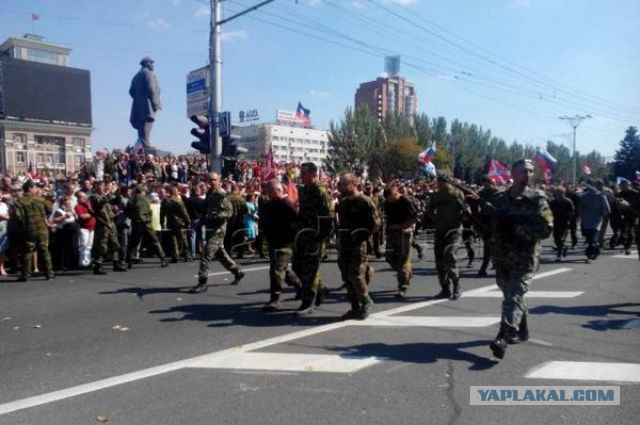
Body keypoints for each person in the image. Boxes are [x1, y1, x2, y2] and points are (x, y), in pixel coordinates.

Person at [486, 159, 553, 359]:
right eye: (524, 171)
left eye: (531, 171)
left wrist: (517, 229)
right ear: (513, 174)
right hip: (502, 258)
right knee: (510, 295)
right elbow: (491, 226)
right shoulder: (499, 199)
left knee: (513, 297)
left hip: (524, 259)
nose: (529, 175)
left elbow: (546, 229)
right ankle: (522, 329)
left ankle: (504, 336)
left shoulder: (537, 199)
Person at [291, 162, 334, 316]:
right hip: (303, 234)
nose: (300, 176)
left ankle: (308, 302)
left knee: (310, 270)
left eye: (303, 173)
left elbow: (328, 215)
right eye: (301, 173)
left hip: (315, 236)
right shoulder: (303, 190)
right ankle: (320, 288)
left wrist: (323, 237)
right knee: (297, 267)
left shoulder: (320, 190)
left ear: (313, 174)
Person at [190, 172, 245, 293]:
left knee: (207, 253)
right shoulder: (210, 193)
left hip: (219, 228)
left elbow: (229, 212)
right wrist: (203, 219)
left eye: (214, 180)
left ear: (218, 181)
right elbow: (206, 209)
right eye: (209, 180)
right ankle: (237, 271)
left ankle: (202, 282)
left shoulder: (221, 193)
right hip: (211, 226)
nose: (211, 182)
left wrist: (214, 216)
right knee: (220, 254)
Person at [336, 173, 380, 319]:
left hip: (358, 244)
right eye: (340, 184)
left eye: (343, 184)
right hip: (345, 243)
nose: (340, 187)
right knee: (346, 275)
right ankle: (354, 307)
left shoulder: (365, 201)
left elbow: (376, 224)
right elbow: (341, 224)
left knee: (355, 274)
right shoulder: (343, 203)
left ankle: (366, 301)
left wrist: (364, 238)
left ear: (354, 184)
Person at [259, 180, 302, 311]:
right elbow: (264, 220)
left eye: (270, 191)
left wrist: (291, 237)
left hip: (285, 243)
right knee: (284, 271)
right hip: (273, 242)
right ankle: (301, 287)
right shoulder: (269, 204)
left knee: (276, 272)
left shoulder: (287, 204)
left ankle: (275, 300)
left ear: (278, 190)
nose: (268, 193)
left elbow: (297, 221)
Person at [425, 175, 465, 300]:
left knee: (450, 256)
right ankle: (445, 289)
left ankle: (457, 286)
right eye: (439, 182)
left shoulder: (457, 193)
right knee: (439, 262)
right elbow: (429, 209)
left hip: (454, 230)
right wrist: (434, 218)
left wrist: (463, 216)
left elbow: (465, 210)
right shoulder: (436, 195)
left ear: (449, 182)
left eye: (442, 182)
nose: (440, 184)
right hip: (440, 230)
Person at [13, 180, 54, 281]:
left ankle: (26, 275)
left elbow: (18, 216)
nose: (37, 189)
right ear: (30, 188)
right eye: (35, 187)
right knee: (44, 250)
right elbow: (50, 209)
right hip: (42, 229)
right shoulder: (41, 199)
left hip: (28, 229)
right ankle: (49, 274)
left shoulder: (19, 201)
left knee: (27, 251)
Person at [382, 185, 417, 298]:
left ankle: (403, 286)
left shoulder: (406, 201)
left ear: (396, 193)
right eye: (388, 199)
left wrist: (400, 226)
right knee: (389, 256)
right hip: (392, 232)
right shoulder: (387, 203)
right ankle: (407, 272)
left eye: (392, 197)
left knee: (403, 259)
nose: (391, 201)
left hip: (405, 232)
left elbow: (414, 218)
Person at [126, 185, 168, 268]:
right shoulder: (147, 199)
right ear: (142, 191)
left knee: (134, 242)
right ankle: (163, 259)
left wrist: (134, 217)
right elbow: (150, 210)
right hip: (147, 222)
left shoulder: (132, 200)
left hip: (137, 223)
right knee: (155, 241)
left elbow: (127, 212)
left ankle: (130, 261)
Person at [90, 181, 128, 275]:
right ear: (96, 187)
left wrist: (117, 192)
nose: (103, 187)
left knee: (115, 243)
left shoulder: (106, 195)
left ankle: (116, 263)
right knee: (102, 245)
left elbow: (117, 200)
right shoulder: (94, 196)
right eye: (101, 185)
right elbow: (100, 203)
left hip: (111, 222)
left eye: (103, 185)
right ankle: (98, 266)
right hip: (102, 223)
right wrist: (107, 195)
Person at [129, 57, 161, 147]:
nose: (152, 65)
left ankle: (142, 144)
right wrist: (155, 103)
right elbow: (151, 89)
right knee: (147, 124)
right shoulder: (149, 74)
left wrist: (138, 98)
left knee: (141, 127)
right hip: (147, 105)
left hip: (138, 106)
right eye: (151, 63)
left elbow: (131, 91)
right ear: (146, 63)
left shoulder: (136, 76)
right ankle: (146, 144)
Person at [578, 181, 610, 263]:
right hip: (586, 220)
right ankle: (596, 250)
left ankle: (589, 254)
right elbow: (580, 208)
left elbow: (606, 210)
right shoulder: (583, 196)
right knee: (590, 239)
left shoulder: (602, 196)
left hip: (596, 220)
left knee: (592, 238)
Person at [161, 186, 192, 262]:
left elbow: (162, 213)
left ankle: (175, 255)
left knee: (173, 240)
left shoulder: (165, 201)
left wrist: (161, 222)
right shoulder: (178, 201)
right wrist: (188, 222)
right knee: (184, 239)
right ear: (175, 192)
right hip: (180, 223)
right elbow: (184, 213)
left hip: (170, 222)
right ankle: (187, 255)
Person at [549, 186, 575, 261]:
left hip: (564, 222)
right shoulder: (553, 202)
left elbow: (572, 212)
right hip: (555, 222)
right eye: (557, 193)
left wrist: (569, 221)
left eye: (560, 193)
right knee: (556, 238)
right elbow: (548, 212)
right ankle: (564, 247)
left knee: (561, 238)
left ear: (563, 193)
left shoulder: (568, 201)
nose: (558, 195)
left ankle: (559, 254)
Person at [75, 191, 95, 268]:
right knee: (83, 245)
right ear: (78, 198)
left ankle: (88, 261)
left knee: (89, 246)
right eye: (81, 197)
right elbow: (82, 216)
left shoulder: (88, 205)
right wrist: (92, 214)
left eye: (84, 196)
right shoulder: (78, 206)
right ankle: (82, 262)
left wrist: (90, 212)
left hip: (91, 228)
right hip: (84, 228)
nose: (84, 198)